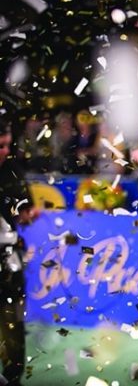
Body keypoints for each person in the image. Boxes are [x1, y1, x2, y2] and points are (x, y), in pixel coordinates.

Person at [0, 119, 39, 386]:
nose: (2, 150)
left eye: (5, 145)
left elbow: (29, 212)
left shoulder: (13, 171)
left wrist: (25, 213)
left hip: (8, 263)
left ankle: (13, 378)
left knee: (12, 326)